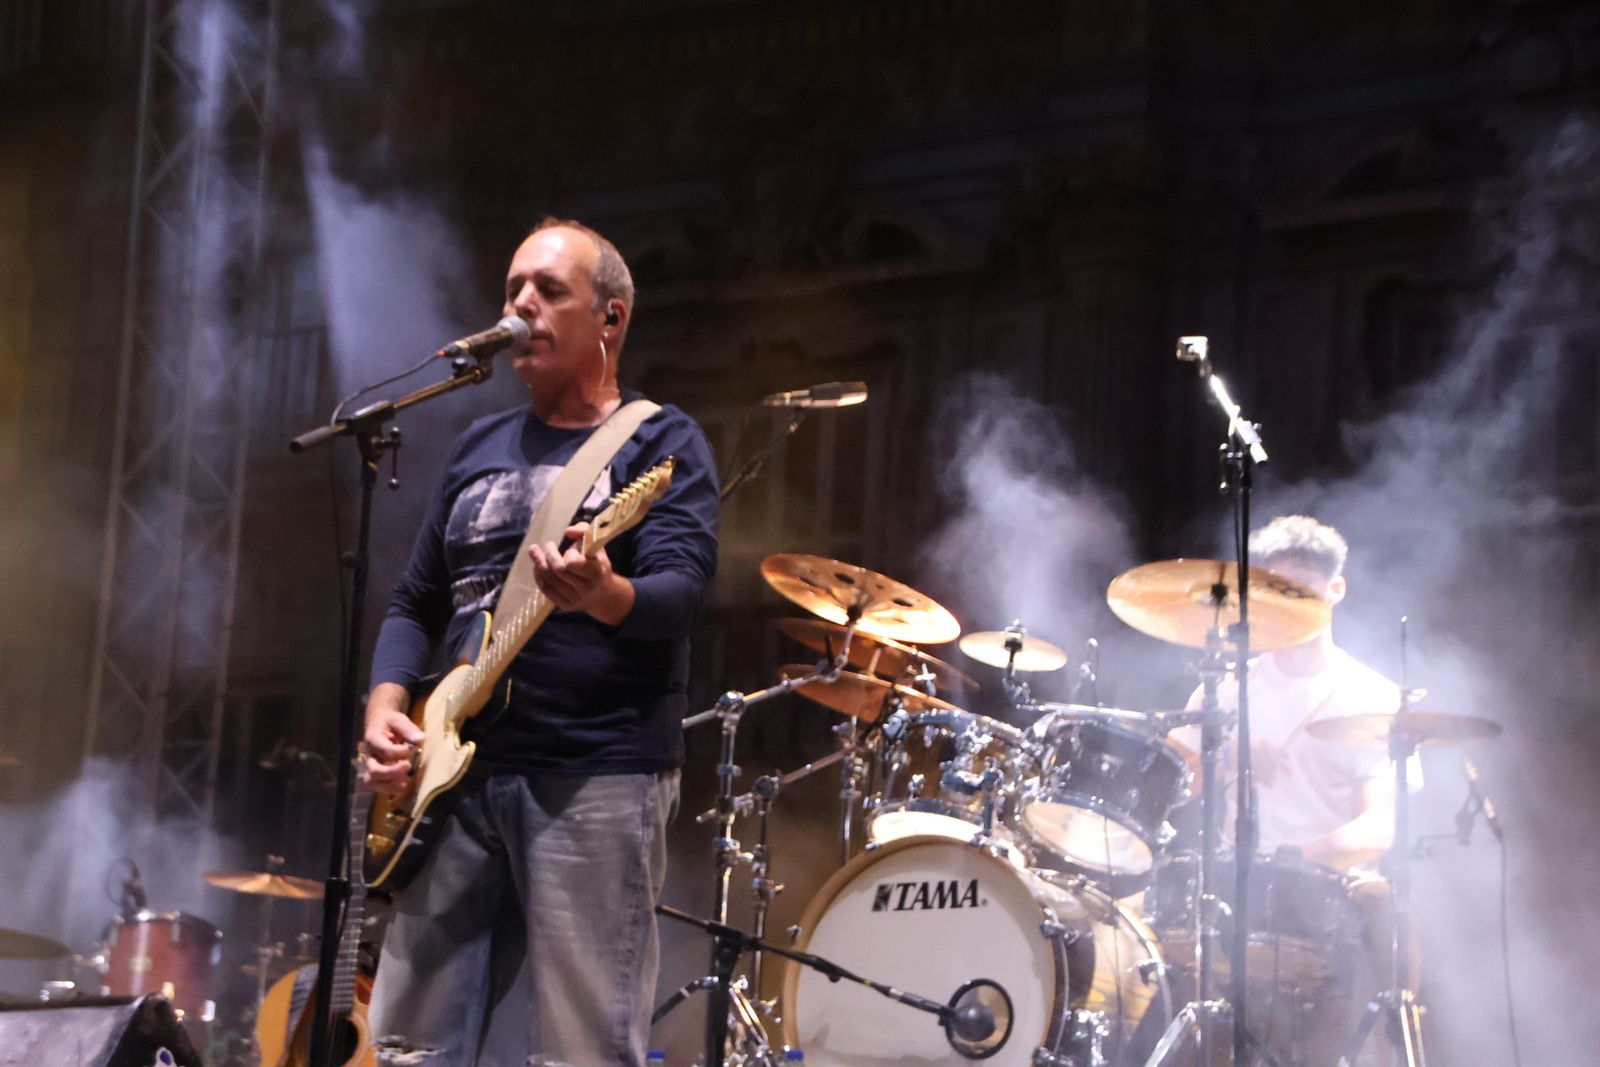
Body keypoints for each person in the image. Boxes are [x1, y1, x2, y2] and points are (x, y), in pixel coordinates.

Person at [360, 218, 719, 1066]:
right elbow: (416, 601)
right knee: (409, 1041)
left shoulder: (662, 444)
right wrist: (384, 709)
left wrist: (603, 593)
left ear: (612, 318)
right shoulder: (478, 445)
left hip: (592, 771)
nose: (521, 303)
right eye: (514, 287)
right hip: (450, 776)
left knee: (584, 1048)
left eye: (550, 290)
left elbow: (680, 595)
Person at [1169, 514, 1417, 1066]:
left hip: (1326, 906)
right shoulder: (1229, 687)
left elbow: (1380, 828)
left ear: (1336, 589)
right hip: (1233, 903)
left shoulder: (1370, 695)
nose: (1286, 600)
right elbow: (1169, 783)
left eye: (1300, 585)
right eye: (1273, 587)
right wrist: (1228, 754)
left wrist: (1286, 864)